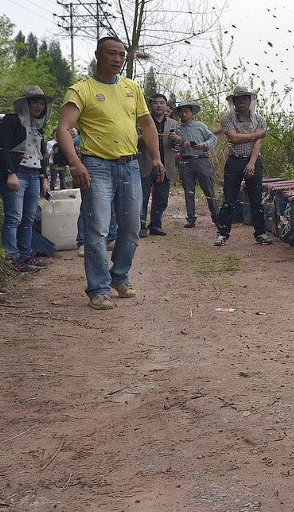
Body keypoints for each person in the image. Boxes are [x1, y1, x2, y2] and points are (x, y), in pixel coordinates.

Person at [56, 36, 164, 310]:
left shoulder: (132, 88)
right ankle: (98, 289)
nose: (117, 59)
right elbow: (63, 129)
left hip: (129, 165)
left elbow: (147, 124)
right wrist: (75, 163)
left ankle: (120, 277)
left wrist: (156, 157)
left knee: (132, 228)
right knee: (98, 230)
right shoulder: (81, 90)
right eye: (111, 54)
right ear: (97, 55)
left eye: (122, 56)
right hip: (97, 166)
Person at [0, 86, 54, 272]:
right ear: (26, 103)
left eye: (42, 103)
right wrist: (11, 173)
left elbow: (40, 154)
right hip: (17, 175)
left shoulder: (37, 127)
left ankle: (26, 255)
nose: (39, 106)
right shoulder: (11, 121)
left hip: (34, 176)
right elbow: (3, 148)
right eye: (35, 102)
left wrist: (44, 178)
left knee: (28, 218)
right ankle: (11, 258)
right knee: (14, 217)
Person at [213, 85, 272, 246]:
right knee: (229, 199)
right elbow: (234, 138)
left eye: (245, 98)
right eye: (238, 99)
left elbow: (258, 143)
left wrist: (252, 163)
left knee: (256, 199)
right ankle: (222, 233)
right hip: (234, 160)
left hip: (253, 160)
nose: (241, 102)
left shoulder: (260, 120)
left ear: (250, 100)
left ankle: (260, 233)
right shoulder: (227, 118)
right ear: (234, 101)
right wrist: (256, 134)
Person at [171, 101, 219, 228]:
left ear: (191, 112)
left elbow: (213, 139)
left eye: (186, 111)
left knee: (209, 189)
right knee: (189, 191)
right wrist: (182, 144)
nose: (184, 113)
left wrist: (204, 145)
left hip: (202, 159)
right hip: (185, 161)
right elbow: (172, 145)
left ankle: (216, 216)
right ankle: (191, 218)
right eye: (181, 111)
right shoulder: (177, 129)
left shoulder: (201, 126)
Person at [137, 94, 178, 237]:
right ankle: (141, 226)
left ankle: (155, 225)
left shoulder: (173, 123)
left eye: (162, 103)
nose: (159, 105)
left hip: (166, 166)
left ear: (167, 106)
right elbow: (134, 139)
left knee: (161, 199)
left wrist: (176, 138)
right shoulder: (141, 122)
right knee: (142, 197)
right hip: (146, 164)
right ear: (150, 105)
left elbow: (181, 139)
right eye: (156, 103)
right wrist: (147, 135)